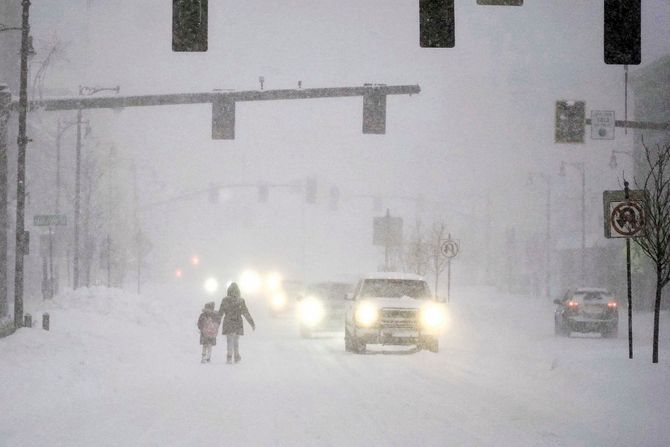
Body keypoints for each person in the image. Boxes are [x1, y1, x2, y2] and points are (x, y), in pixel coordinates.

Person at [218, 282, 255, 364]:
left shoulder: (225, 300)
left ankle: (229, 356)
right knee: (236, 341)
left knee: (229, 340)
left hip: (228, 322)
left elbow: (220, 313)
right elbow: (246, 313)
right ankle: (236, 356)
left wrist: (216, 323)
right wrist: (251, 323)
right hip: (237, 323)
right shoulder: (240, 301)